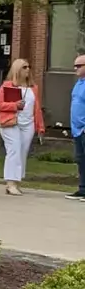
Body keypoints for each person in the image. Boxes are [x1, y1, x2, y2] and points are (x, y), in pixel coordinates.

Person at [0, 58, 43, 196]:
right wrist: (14, 105)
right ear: (17, 70)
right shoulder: (8, 85)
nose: (28, 69)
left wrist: (40, 127)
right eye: (24, 67)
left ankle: (17, 181)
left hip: (28, 124)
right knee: (14, 149)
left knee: (22, 151)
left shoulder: (33, 88)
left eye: (29, 67)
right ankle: (10, 183)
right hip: (11, 122)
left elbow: (37, 108)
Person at [69, 54, 85, 201]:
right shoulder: (78, 83)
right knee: (80, 159)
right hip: (77, 129)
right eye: (75, 65)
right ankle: (82, 189)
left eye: (79, 66)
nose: (75, 68)